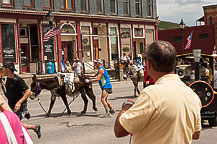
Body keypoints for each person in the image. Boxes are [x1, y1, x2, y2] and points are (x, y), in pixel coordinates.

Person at [114, 41, 202, 144]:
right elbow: (195, 134)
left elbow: (119, 130)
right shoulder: (192, 95)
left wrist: (126, 107)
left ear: (149, 64)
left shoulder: (151, 94)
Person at [1, 61, 41, 139]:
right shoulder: (8, 79)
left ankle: (23, 138)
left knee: (14, 125)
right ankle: (34, 128)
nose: (2, 70)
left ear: (8, 69)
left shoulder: (17, 79)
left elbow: (28, 92)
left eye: (3, 69)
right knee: (12, 124)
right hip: (11, 105)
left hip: (19, 106)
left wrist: (19, 103)